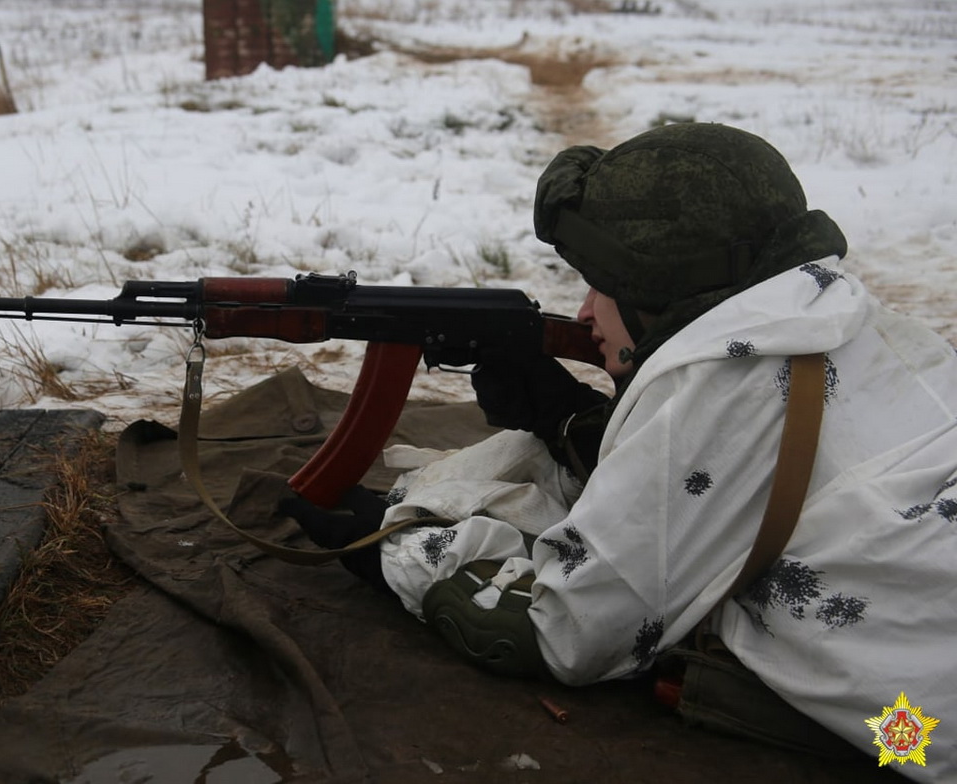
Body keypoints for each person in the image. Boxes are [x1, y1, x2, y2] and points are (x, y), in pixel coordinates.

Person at [280, 122, 956, 780]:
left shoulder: (718, 391)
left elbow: (568, 630)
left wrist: (395, 552)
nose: (583, 312)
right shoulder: (851, 320)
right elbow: (735, 477)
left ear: (659, 294)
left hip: (930, 722)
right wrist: (573, 421)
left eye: (604, 285)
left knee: (895, 735)